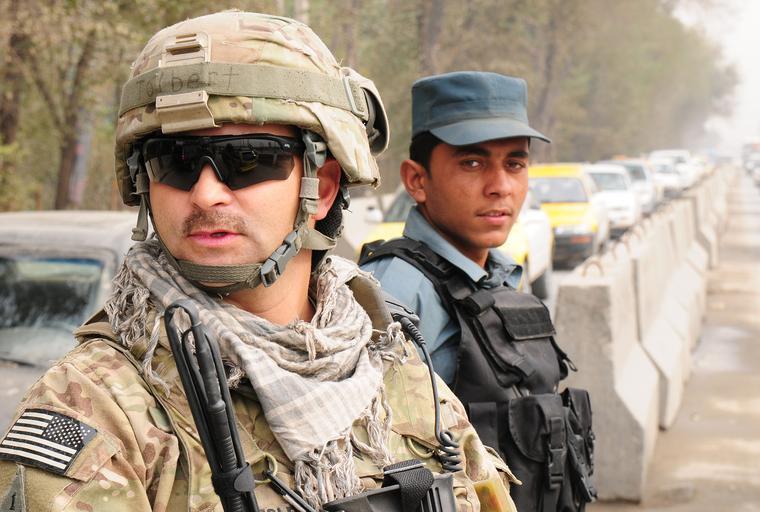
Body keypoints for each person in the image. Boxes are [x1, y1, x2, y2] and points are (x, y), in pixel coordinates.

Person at [0, 13, 517, 512]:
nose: (206, 194)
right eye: (175, 161)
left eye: (247, 159)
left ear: (322, 187)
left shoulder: (395, 368)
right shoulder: (96, 407)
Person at [359, 72, 596, 511]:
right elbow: (366, 456)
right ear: (416, 180)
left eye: (515, 164)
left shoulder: (498, 276)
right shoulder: (394, 289)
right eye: (472, 163)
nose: (500, 185)